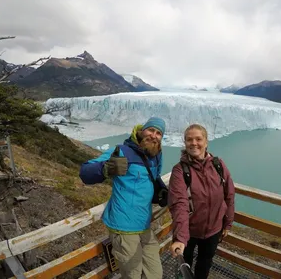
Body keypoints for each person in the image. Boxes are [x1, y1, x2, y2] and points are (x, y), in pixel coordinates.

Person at [79, 117, 168, 279]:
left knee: (155, 274)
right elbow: (85, 173)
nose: (154, 135)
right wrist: (106, 168)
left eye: (159, 133)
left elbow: (153, 177)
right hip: (124, 227)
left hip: (144, 224)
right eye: (151, 130)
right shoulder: (122, 151)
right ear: (142, 131)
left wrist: (161, 190)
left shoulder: (155, 154)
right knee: (132, 275)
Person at [168, 124, 235, 279]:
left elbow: (229, 194)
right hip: (189, 232)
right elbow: (179, 204)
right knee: (185, 266)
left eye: (198, 139)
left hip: (214, 230)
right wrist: (180, 238)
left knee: (205, 263)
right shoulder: (180, 171)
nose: (194, 143)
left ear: (206, 142)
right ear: (185, 143)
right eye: (189, 139)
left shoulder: (218, 165)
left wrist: (227, 223)